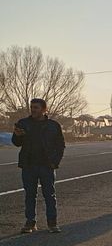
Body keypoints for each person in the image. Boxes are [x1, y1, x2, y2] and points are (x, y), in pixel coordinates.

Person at [12, 98, 66, 233]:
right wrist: (17, 136)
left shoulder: (53, 125)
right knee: (30, 195)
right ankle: (30, 223)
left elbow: (60, 145)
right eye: (32, 107)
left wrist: (54, 162)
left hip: (47, 166)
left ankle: (52, 223)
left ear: (44, 109)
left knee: (49, 195)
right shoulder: (23, 123)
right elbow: (16, 142)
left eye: (36, 107)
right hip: (29, 165)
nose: (33, 110)